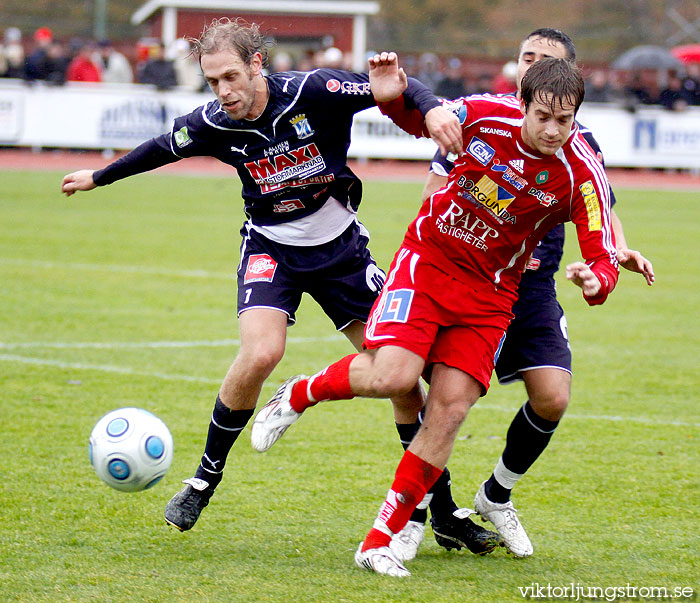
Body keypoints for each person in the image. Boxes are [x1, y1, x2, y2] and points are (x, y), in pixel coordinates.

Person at [60, 19, 489, 550]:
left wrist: (430, 106)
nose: (223, 92)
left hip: (342, 254)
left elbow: (392, 84)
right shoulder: (214, 122)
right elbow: (158, 148)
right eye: (212, 80)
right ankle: (202, 481)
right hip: (271, 249)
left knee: (402, 381)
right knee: (261, 353)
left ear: (258, 64)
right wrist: (98, 177)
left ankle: (441, 508)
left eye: (231, 77)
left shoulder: (315, 91)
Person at [251, 53, 621, 577]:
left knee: (448, 411)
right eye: (542, 116)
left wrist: (596, 280)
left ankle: (378, 539)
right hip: (428, 263)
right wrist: (397, 96)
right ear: (523, 105)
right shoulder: (484, 114)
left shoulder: (581, 170)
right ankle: (300, 392)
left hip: (491, 297)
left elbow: (603, 250)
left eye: (564, 120)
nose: (552, 130)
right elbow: (416, 118)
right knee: (392, 376)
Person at [413, 28, 655, 561]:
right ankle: (422, 510)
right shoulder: (478, 121)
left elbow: (599, 212)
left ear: (568, 81)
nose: (532, 67)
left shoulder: (575, 143)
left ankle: (496, 495)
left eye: (546, 62)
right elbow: (434, 195)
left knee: (553, 396)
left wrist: (616, 253)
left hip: (533, 288)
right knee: (441, 402)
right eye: (527, 58)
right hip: (470, 280)